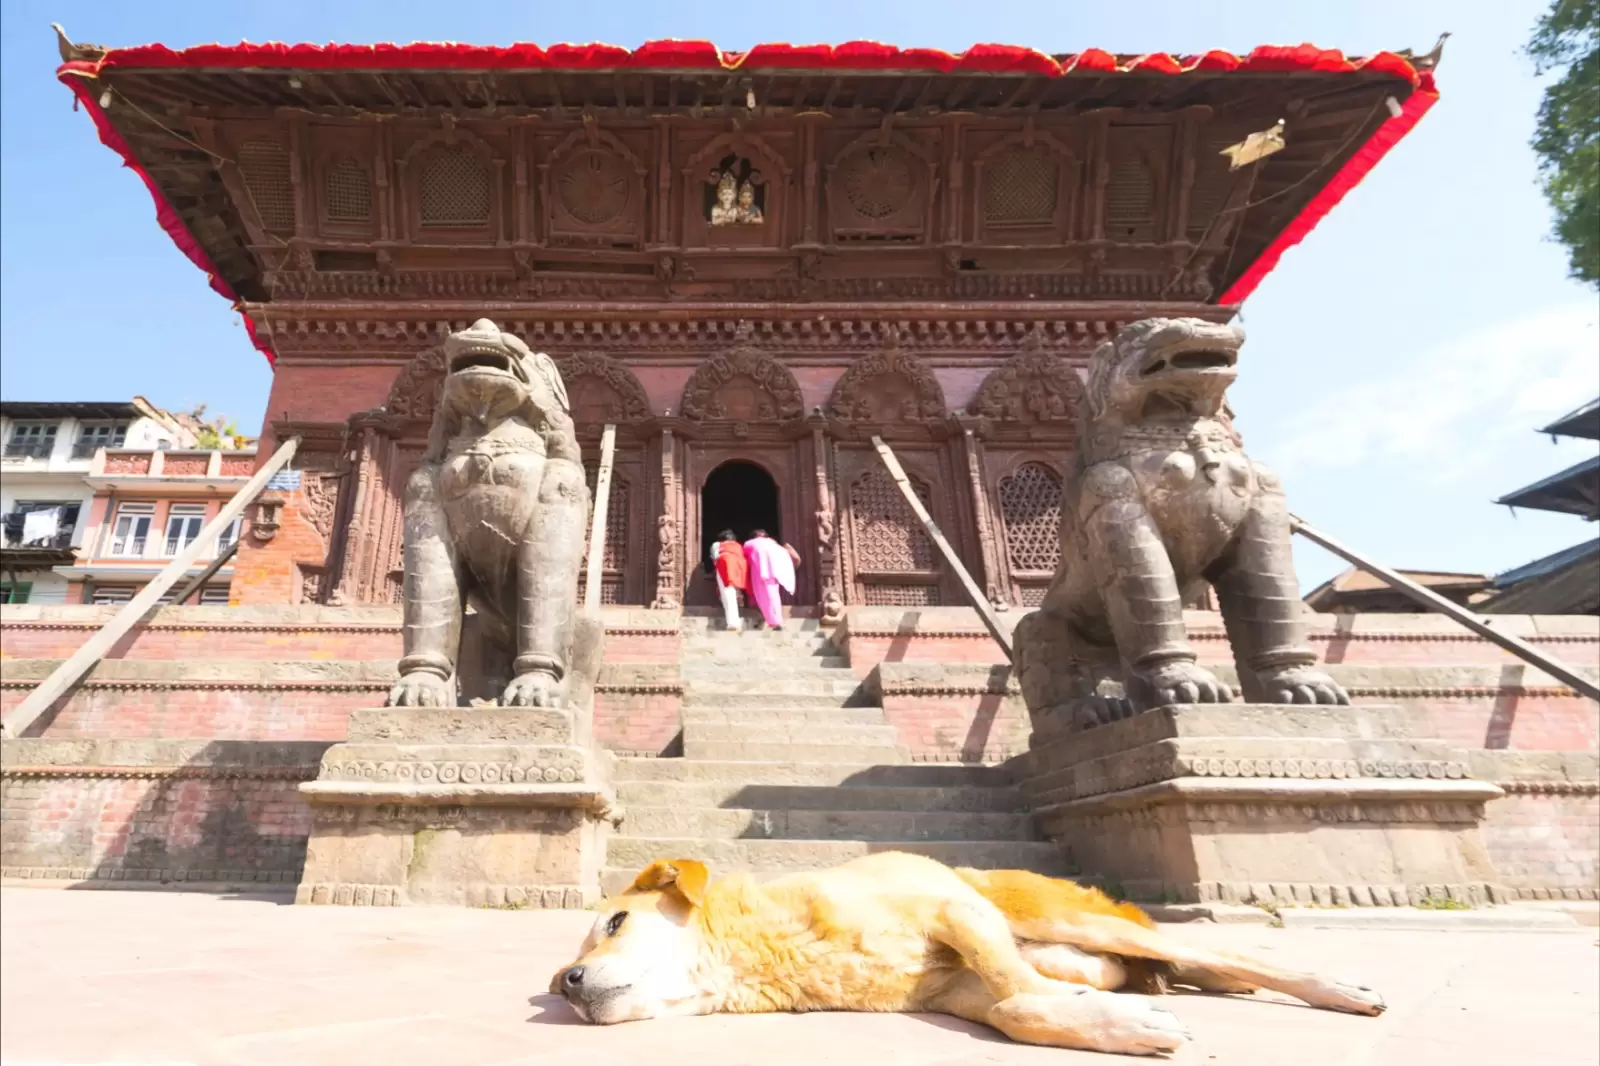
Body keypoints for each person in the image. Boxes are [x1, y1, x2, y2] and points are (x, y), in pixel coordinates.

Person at [742, 528, 795, 631]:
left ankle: (775, 622)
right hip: (773, 573)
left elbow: (743, 554)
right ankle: (772, 620)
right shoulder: (773, 544)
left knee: (762, 597)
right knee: (773, 596)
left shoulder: (750, 543)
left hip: (759, 572)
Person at [710, 529, 748, 631]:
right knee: (735, 593)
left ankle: (733, 623)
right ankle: (735, 619)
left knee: (727, 593)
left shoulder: (717, 544)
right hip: (739, 568)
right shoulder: (738, 546)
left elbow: (715, 557)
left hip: (725, 567)